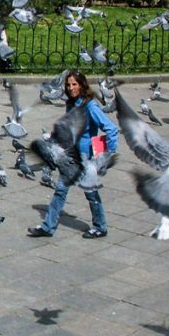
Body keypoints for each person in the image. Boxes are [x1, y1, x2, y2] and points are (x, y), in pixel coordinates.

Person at [28, 70, 119, 239]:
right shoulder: (71, 103)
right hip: (70, 158)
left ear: (82, 85)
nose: (71, 88)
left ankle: (100, 227)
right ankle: (48, 227)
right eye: (68, 85)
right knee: (60, 191)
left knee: (91, 194)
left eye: (74, 84)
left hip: (86, 160)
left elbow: (111, 129)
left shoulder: (90, 106)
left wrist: (107, 153)